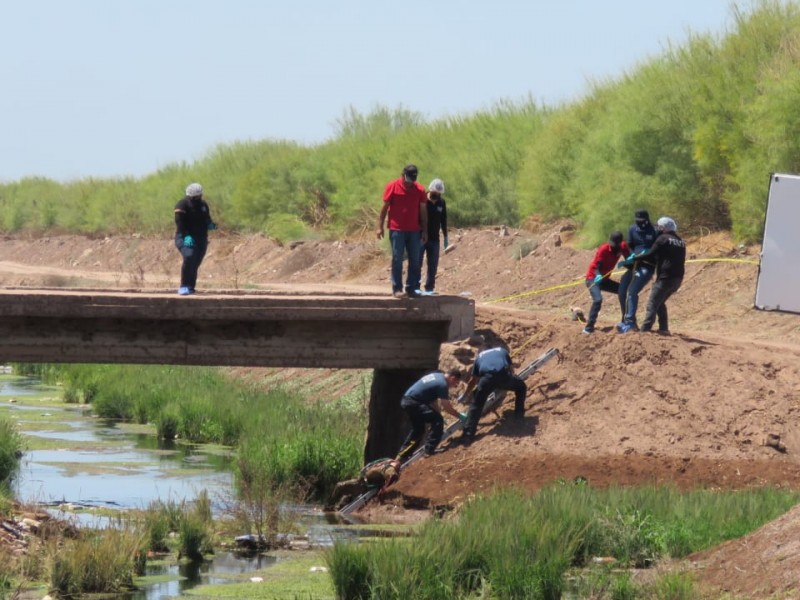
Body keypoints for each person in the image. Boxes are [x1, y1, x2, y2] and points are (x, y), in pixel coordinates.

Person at [377, 164, 428, 298]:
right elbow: (384, 208)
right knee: (397, 258)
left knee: (415, 260)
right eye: (409, 179)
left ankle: (411, 288)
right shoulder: (392, 186)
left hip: (414, 230)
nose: (410, 183)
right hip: (396, 230)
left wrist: (425, 230)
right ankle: (397, 289)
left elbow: (423, 211)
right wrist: (379, 226)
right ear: (403, 175)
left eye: (413, 180)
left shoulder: (420, 190)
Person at [460, 346, 527, 442]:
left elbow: (473, 380)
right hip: (502, 375)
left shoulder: (479, 357)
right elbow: (511, 370)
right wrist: (507, 383)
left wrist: (465, 394)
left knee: (476, 405)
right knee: (521, 387)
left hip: (486, 379)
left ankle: (468, 435)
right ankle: (519, 417)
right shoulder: (502, 350)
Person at [396, 369, 464, 461]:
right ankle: (429, 450)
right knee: (437, 420)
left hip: (408, 401)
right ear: (452, 378)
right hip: (414, 402)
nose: (454, 386)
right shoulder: (443, 384)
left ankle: (402, 455)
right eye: (456, 383)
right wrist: (459, 416)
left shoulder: (437, 375)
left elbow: (433, 401)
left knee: (418, 430)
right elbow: (446, 406)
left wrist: (438, 414)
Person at [638, 217, 686, 335]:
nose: (657, 228)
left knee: (652, 303)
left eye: (659, 226)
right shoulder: (681, 241)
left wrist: (635, 258)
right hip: (678, 278)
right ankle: (664, 328)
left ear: (663, 228)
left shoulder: (663, 238)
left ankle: (645, 329)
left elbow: (650, 255)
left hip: (665, 277)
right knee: (660, 302)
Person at [617, 209, 658, 333]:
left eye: (642, 221)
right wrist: (630, 257)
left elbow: (657, 249)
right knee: (622, 289)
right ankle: (627, 320)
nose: (639, 224)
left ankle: (629, 322)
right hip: (635, 264)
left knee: (632, 291)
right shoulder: (632, 229)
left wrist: (645, 255)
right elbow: (629, 244)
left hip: (647, 266)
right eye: (637, 221)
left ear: (647, 220)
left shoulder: (654, 230)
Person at [582, 231, 631, 334]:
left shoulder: (623, 246)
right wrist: (598, 275)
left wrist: (628, 262)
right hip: (593, 278)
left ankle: (625, 321)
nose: (612, 246)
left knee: (623, 292)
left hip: (605, 280)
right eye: (611, 243)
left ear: (620, 243)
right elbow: (597, 267)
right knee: (598, 300)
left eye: (615, 245)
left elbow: (629, 261)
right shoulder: (604, 249)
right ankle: (589, 327)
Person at [174, 183, 217, 295]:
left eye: (199, 196)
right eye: (195, 197)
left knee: (196, 262)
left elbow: (206, 218)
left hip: (201, 237)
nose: (198, 198)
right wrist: (186, 236)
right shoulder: (182, 204)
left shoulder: (203, 205)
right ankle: (184, 286)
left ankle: (191, 287)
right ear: (190, 196)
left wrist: (210, 224)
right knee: (189, 256)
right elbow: (180, 223)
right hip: (184, 236)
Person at [327, 458, 401, 511]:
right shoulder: (385, 463)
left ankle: (328, 507)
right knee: (343, 501)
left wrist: (383, 489)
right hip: (361, 481)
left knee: (340, 486)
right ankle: (333, 508)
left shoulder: (389, 468)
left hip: (363, 486)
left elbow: (392, 476)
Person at [419, 178, 449, 295]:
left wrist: (445, 236)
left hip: (434, 238)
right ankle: (416, 287)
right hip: (421, 236)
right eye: (435, 193)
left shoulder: (442, 202)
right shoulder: (422, 200)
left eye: (439, 193)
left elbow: (443, 220)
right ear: (430, 190)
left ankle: (429, 288)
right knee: (418, 262)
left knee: (433, 264)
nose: (437, 195)